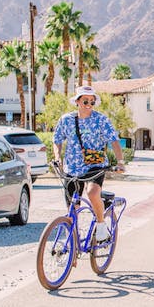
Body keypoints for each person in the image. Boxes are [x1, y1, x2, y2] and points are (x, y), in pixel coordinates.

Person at [52, 86, 125, 241]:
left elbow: (114, 141)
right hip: (71, 168)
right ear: (77, 101)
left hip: (95, 166)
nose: (89, 104)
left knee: (92, 193)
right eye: (85, 100)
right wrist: (57, 157)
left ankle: (101, 226)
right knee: (73, 208)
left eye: (92, 101)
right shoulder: (66, 120)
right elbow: (57, 140)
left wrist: (120, 162)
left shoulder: (101, 119)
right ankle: (72, 244)